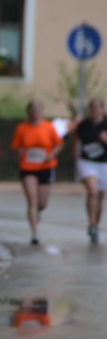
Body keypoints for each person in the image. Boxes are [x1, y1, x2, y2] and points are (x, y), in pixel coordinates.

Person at [11, 100, 63, 245]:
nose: (35, 112)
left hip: (46, 167)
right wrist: (19, 151)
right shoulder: (22, 128)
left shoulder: (48, 126)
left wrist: (52, 154)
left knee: (42, 203)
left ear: (42, 111)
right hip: (28, 167)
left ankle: (37, 212)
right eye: (32, 110)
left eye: (37, 109)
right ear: (28, 112)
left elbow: (58, 144)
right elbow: (15, 146)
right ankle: (35, 232)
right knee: (32, 200)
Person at [73, 97, 107, 244]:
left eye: (98, 107)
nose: (95, 110)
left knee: (100, 197)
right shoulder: (84, 124)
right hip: (87, 162)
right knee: (92, 192)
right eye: (93, 107)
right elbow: (76, 139)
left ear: (102, 109)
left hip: (104, 164)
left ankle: (95, 225)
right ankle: (91, 222)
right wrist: (75, 153)